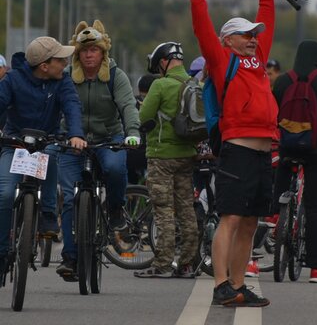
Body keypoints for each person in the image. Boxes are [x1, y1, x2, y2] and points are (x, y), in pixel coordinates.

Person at [190, 0, 277, 308]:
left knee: (251, 221)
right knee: (231, 217)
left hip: (262, 150)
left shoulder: (258, 60)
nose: (253, 38)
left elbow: (267, 18)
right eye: (245, 34)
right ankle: (221, 284)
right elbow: (201, 28)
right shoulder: (222, 58)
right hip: (238, 148)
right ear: (227, 40)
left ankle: (239, 286)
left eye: (254, 34)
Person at [56, 21, 141, 282]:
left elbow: (128, 105)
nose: (89, 54)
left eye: (94, 50)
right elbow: (55, 106)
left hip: (108, 137)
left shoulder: (116, 76)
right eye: (84, 50)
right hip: (73, 139)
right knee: (70, 197)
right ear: (78, 53)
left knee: (115, 168)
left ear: (103, 52)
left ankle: (116, 209)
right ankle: (70, 257)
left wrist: (133, 133)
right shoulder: (67, 75)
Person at [0, 37, 84, 279]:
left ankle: (48, 214)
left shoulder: (63, 81)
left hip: (47, 141)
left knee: (49, 156)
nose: (65, 63)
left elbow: (72, 106)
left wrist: (76, 134)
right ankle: (1, 252)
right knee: (4, 193)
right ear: (44, 66)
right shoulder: (13, 80)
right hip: (14, 143)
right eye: (60, 59)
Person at [272, 39, 317, 284]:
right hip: (316, 150)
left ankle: (271, 232)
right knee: (312, 207)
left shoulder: (282, 80)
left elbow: (273, 113)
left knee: (276, 196)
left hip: (287, 148)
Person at [133, 42, 199, 279]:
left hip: (161, 156)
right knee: (186, 211)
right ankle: (187, 264)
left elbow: (143, 117)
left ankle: (163, 264)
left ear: (162, 62)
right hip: (188, 155)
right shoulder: (194, 83)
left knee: (164, 210)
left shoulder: (160, 85)